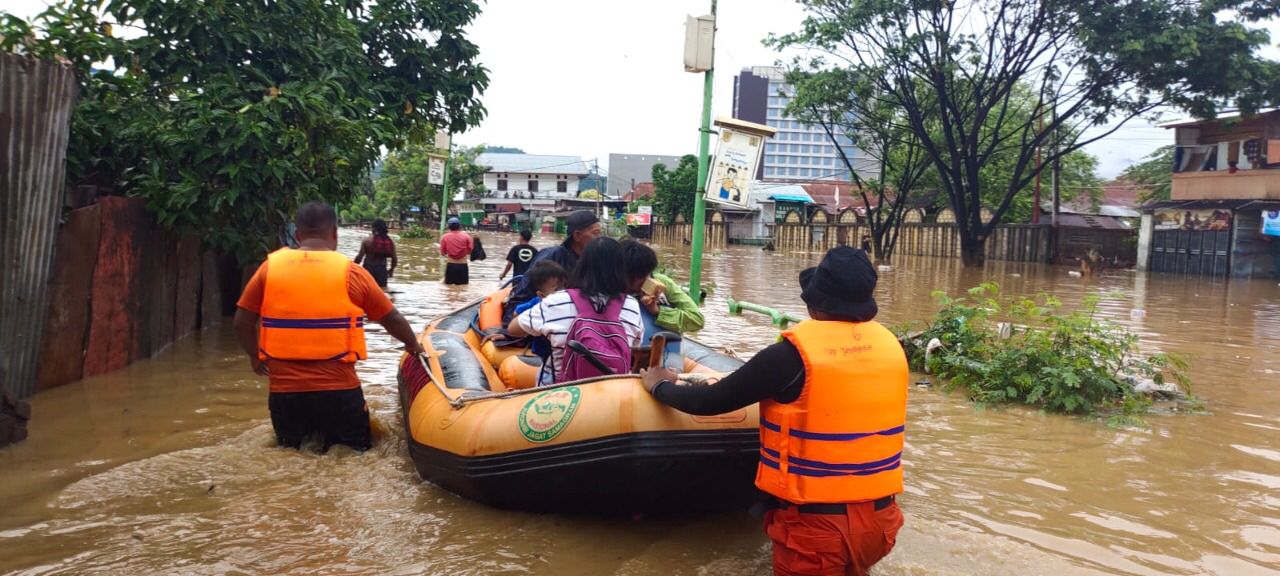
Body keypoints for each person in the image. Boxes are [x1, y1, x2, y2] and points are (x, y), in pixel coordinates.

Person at [640, 246, 908, 576]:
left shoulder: (788, 358)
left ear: (814, 304)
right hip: (882, 523)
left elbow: (710, 402)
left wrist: (659, 385)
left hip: (817, 529)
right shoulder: (891, 348)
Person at [234, 202, 425, 452]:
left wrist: (255, 356)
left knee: (291, 454)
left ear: (298, 235)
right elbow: (392, 318)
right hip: (339, 391)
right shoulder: (352, 273)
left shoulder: (268, 269)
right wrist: (413, 345)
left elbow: (242, 322)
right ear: (335, 233)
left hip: (285, 394)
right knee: (355, 454)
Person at [507, 237, 643, 385]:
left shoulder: (556, 301)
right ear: (622, 269)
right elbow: (635, 346)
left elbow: (513, 329)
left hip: (559, 392)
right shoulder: (632, 305)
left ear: (582, 265)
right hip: (612, 392)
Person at [620, 240, 704, 370]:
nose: (647, 279)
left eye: (648, 273)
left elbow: (697, 319)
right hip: (628, 361)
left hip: (668, 358)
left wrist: (658, 312)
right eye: (641, 276)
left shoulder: (663, 284)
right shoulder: (612, 292)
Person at [505, 210, 602, 317]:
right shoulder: (551, 257)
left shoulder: (594, 261)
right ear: (577, 235)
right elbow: (522, 297)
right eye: (595, 233)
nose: (600, 238)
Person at [511, 260, 569, 367]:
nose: (563, 292)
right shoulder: (537, 304)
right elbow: (516, 313)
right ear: (541, 295)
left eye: (565, 286)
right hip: (543, 351)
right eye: (557, 289)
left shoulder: (568, 303)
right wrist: (532, 327)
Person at [354, 219, 397, 288]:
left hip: (368, 269)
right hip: (381, 270)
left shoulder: (366, 240)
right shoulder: (390, 241)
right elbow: (394, 259)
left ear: (373, 228)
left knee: (366, 290)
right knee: (382, 291)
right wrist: (391, 270)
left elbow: (359, 257)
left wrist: (354, 268)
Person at [440, 217, 474, 285]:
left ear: (448, 226)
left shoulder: (444, 237)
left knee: (448, 288)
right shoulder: (467, 237)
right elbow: (470, 251)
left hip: (450, 265)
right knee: (463, 287)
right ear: (459, 226)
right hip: (463, 265)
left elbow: (443, 253)